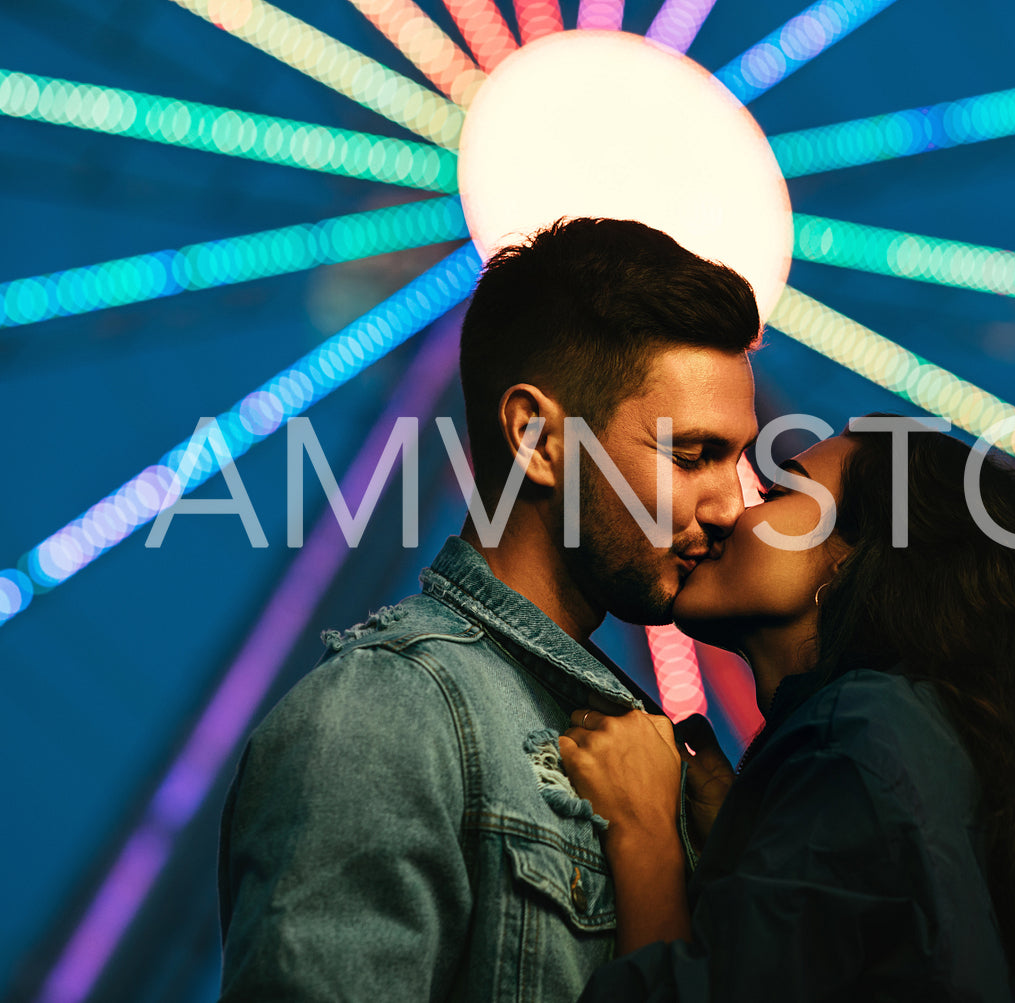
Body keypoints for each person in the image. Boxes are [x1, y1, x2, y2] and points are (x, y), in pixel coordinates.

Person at [216, 217, 762, 1003]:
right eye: (691, 454)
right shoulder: (387, 716)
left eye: (739, 458)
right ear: (536, 437)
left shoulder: (666, 765)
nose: (730, 505)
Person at [558, 414, 1015, 1002]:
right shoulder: (907, 742)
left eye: (774, 496)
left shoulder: (860, 736)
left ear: (857, 553)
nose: (728, 513)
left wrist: (645, 837)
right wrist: (743, 845)